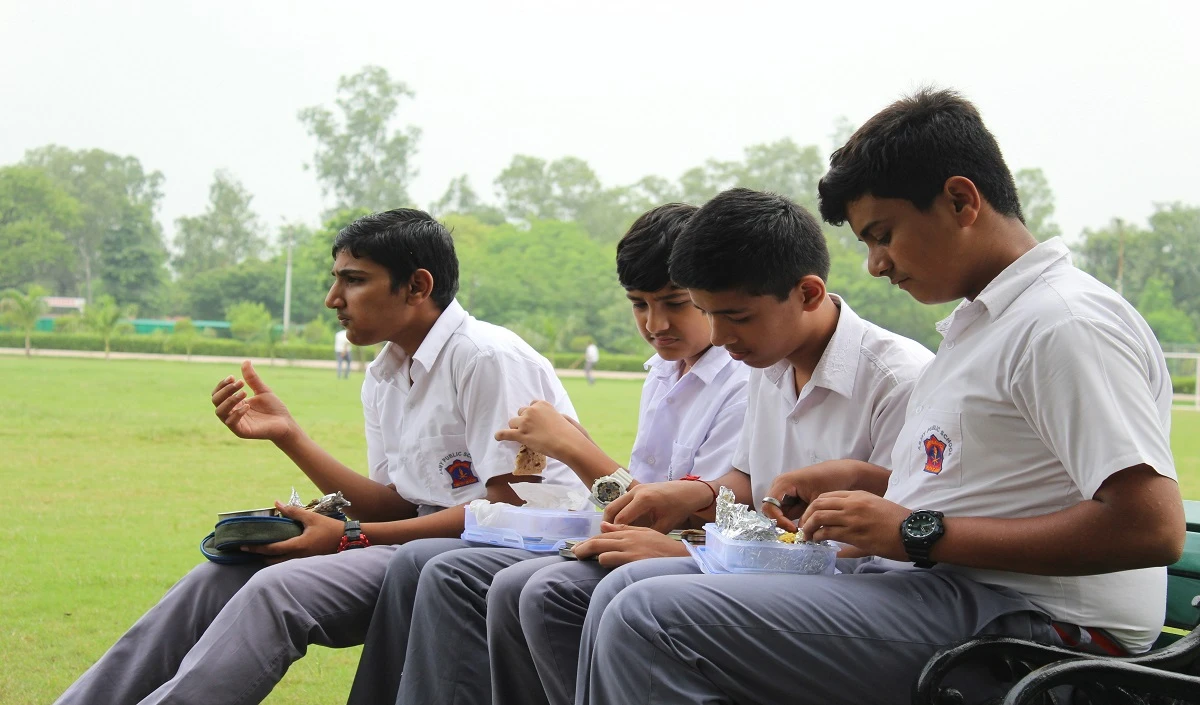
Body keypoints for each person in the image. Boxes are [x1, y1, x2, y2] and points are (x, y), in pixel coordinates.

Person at [576, 89, 1185, 705]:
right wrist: (869, 482)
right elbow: (1002, 489)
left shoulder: (1062, 324)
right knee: (618, 595)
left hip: (1038, 631)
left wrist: (915, 531)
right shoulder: (988, 325)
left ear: (960, 200)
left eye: (883, 235)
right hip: (946, 594)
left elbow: (1150, 526)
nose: (874, 265)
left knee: (647, 615)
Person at [54, 208, 584, 705]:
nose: (333, 298)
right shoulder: (385, 375)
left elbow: (507, 514)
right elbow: (398, 505)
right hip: (415, 544)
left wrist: (351, 536)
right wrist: (289, 436)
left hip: (488, 558)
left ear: (418, 286)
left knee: (277, 591)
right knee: (214, 579)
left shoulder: (486, 358)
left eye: (353, 280)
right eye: (336, 279)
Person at [510, 187, 933, 705]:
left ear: (808, 293)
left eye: (736, 315)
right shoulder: (767, 359)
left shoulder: (898, 380)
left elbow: (887, 541)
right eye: (709, 314)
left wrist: (699, 552)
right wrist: (690, 495)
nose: (719, 335)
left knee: (633, 603)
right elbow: (748, 482)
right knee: (553, 594)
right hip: (759, 563)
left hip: (847, 585)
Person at [346, 202, 752, 705]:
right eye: (639, 304)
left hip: (691, 555)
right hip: (619, 537)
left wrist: (573, 448)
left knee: (504, 584)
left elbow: (681, 518)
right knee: (433, 567)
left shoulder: (742, 380)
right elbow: (638, 501)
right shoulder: (665, 372)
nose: (655, 323)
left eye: (675, 303)